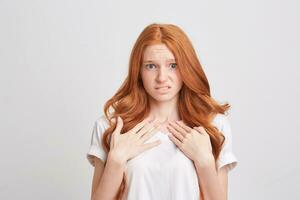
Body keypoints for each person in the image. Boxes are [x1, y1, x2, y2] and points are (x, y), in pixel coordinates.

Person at [86, 23, 238, 200]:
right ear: (138, 71)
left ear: (187, 68)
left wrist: (204, 161)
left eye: (172, 65)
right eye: (151, 66)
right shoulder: (109, 127)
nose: (161, 77)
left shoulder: (214, 126)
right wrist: (116, 160)